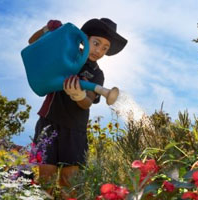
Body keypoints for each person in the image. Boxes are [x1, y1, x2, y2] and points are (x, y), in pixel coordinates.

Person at [29, 18, 127, 199]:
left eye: (105, 48)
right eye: (96, 43)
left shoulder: (97, 74)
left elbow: (88, 102)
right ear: (85, 39)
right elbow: (33, 44)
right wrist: (46, 29)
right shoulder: (67, 53)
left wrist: (79, 96)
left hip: (76, 131)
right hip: (48, 122)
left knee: (70, 182)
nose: (99, 51)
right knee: (46, 179)